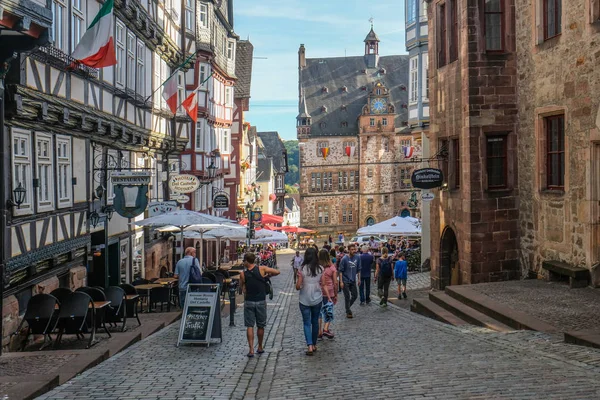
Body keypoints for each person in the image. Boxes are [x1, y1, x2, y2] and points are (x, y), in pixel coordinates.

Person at [239, 252, 280, 357]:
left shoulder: (243, 274)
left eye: (244, 261)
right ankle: (260, 347)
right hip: (261, 301)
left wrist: (245, 287)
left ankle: (251, 349)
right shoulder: (262, 269)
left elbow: (242, 288)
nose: (243, 262)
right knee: (261, 326)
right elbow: (277, 272)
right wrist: (268, 275)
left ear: (247, 261)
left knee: (249, 325)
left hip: (249, 302)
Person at [296, 247, 330, 355]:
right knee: (315, 322)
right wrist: (328, 296)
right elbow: (323, 284)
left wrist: (299, 280)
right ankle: (314, 344)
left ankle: (309, 345)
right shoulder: (320, 268)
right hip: (317, 298)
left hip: (304, 299)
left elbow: (298, 286)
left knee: (306, 323)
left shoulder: (302, 269)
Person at [318, 249, 338, 339]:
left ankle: (319, 331)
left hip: (318, 291)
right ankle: (326, 328)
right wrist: (336, 293)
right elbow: (335, 282)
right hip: (329, 291)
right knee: (328, 309)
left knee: (319, 312)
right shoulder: (332, 268)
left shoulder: (318, 267)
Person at [338, 244, 360, 318]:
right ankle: (348, 311)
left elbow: (359, 269)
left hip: (353, 280)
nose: (354, 251)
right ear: (348, 250)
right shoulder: (344, 259)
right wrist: (341, 282)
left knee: (355, 295)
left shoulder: (357, 257)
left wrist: (359, 279)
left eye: (354, 249)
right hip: (345, 280)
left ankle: (347, 307)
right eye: (352, 249)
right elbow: (340, 271)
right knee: (347, 296)